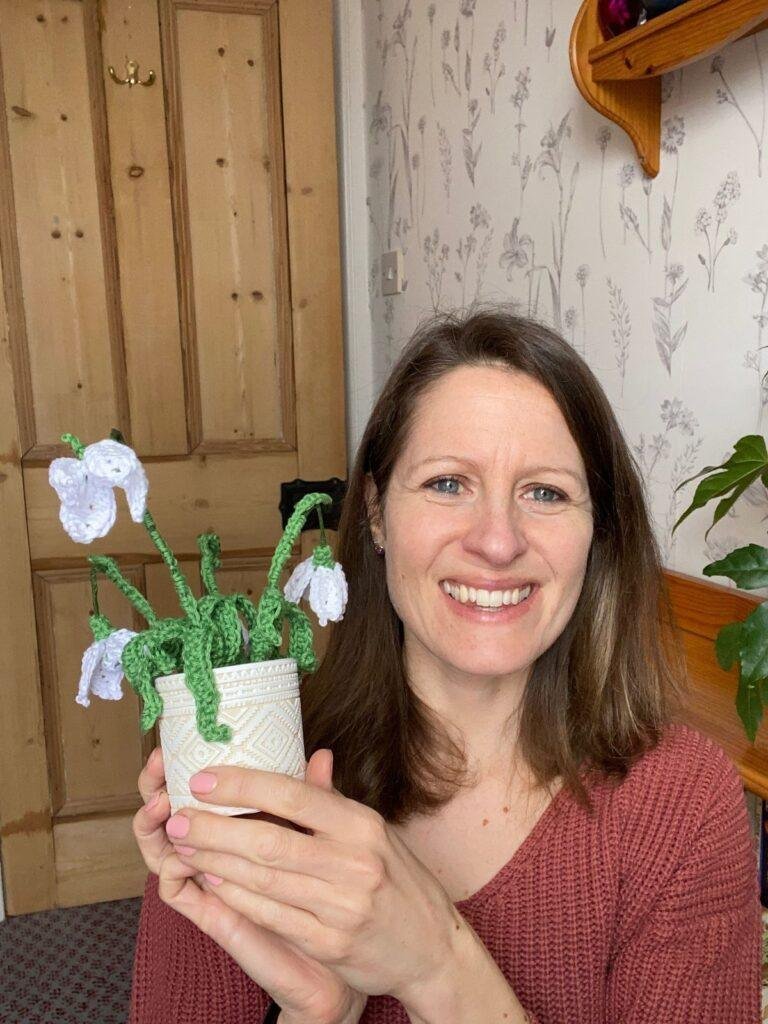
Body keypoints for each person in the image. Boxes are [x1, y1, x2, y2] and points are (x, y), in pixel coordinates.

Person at [129, 309, 761, 1024]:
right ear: (375, 513)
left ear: (598, 535)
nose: (497, 542)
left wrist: (436, 960)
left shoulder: (679, 804)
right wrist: (319, 1014)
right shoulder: (247, 771)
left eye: (545, 492)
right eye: (447, 484)